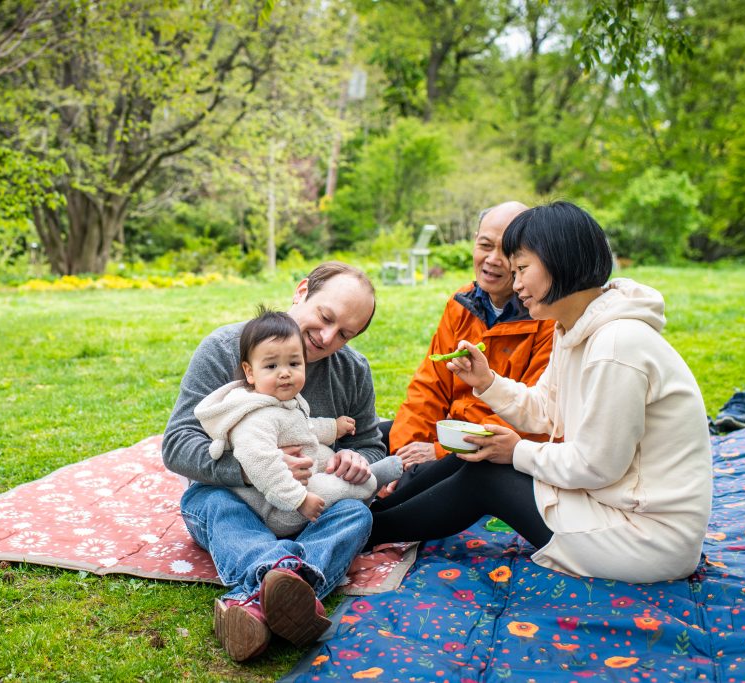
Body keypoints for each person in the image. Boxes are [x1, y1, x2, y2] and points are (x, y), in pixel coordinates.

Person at [369, 201, 713, 583]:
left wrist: (516, 451)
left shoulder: (617, 346)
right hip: (610, 505)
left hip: (646, 539)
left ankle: (365, 532)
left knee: (488, 474)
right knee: (479, 451)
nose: (515, 284)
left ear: (558, 260)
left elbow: (598, 466)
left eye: (521, 269)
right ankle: (367, 518)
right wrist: (488, 383)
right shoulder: (576, 330)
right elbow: (546, 410)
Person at [163, 262, 387, 661]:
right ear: (302, 291)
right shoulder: (224, 348)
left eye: (345, 334)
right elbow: (177, 445)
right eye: (325, 317)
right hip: (235, 500)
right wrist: (251, 470)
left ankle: (253, 604)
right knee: (216, 505)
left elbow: (371, 444)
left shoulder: (353, 370)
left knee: (357, 514)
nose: (327, 337)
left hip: (310, 508)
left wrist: (358, 457)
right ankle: (284, 587)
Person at [384, 201, 555, 489]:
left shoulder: (547, 319)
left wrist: (442, 451)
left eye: (508, 252)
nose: (492, 259)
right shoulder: (461, 304)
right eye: (485, 245)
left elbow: (533, 417)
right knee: (379, 437)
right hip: (452, 435)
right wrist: (403, 456)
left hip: (498, 452)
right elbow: (428, 388)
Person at [195, 308, 403, 537]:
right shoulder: (254, 416)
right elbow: (262, 463)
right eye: (272, 366)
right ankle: (367, 483)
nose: (285, 373)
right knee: (329, 488)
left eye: (294, 364)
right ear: (249, 372)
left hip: (300, 474)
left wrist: (334, 428)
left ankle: (299, 561)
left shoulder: (283, 402)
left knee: (333, 469)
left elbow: (305, 427)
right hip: (279, 506)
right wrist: (299, 500)